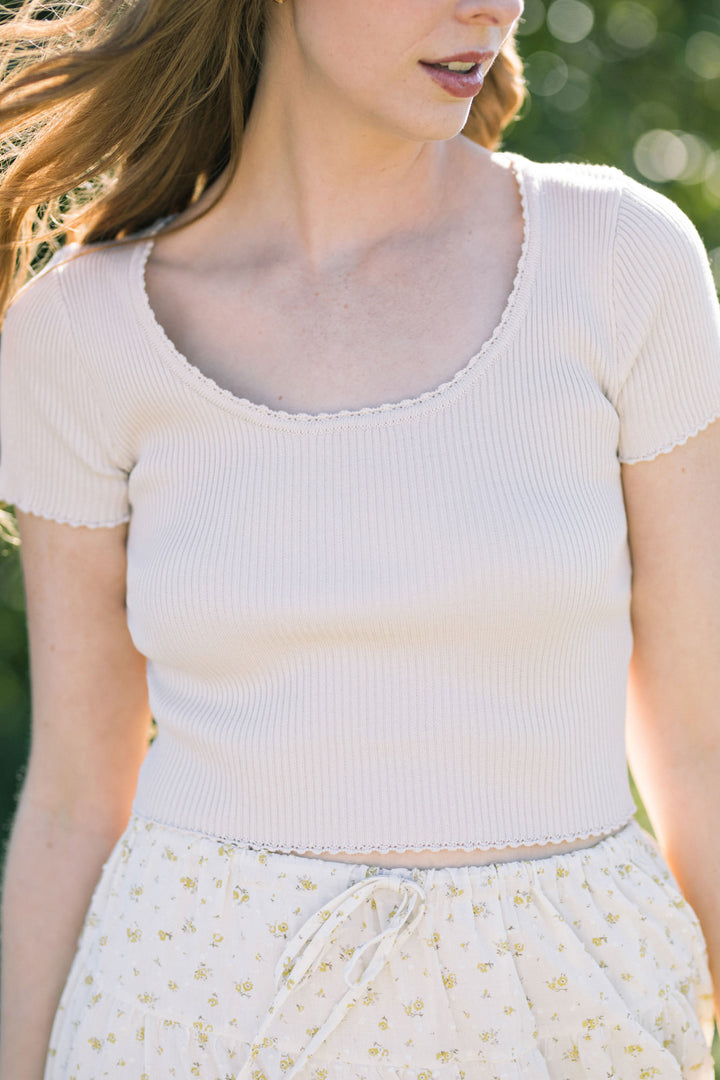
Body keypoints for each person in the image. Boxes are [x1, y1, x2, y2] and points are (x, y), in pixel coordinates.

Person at [1, 0, 719, 1076]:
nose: (493, 6)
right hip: (185, 1007)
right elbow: (69, 794)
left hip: (567, 1015)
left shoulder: (621, 260)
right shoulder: (82, 330)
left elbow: (702, 752)